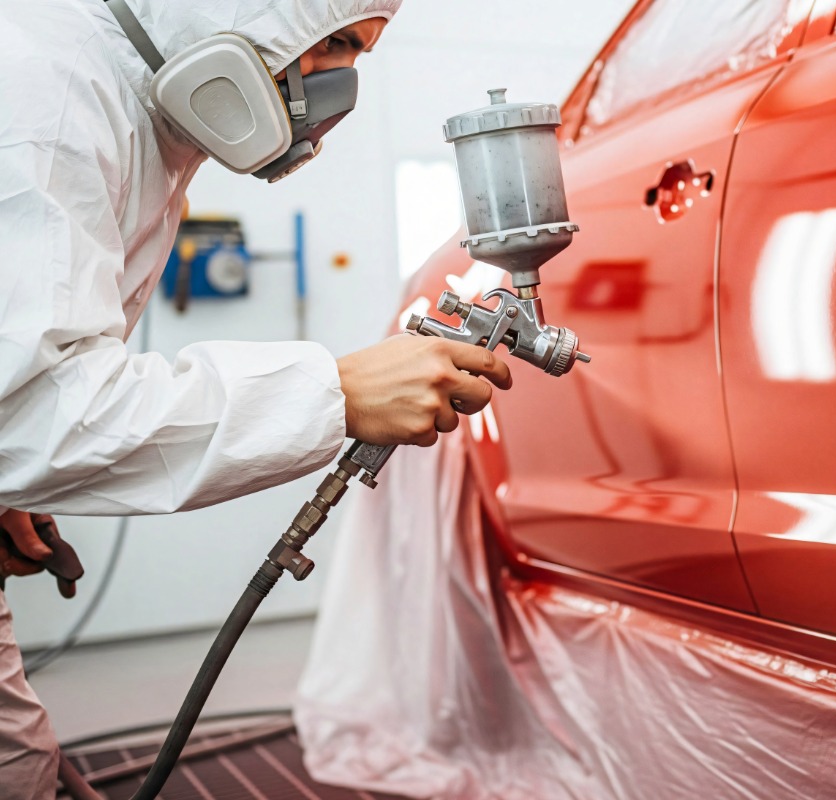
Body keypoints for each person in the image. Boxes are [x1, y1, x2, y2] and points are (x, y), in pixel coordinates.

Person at [0, 1, 512, 796]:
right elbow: (28, 408)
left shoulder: (132, 109)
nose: (339, 87)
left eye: (360, 55)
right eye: (335, 42)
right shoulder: (45, 99)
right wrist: (334, 391)